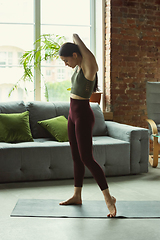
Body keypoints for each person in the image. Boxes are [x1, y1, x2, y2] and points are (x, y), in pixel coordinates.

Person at [59, 34, 116, 218]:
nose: (65, 64)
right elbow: (77, 56)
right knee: (76, 157)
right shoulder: (77, 67)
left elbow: (88, 55)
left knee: (87, 158)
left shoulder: (89, 67)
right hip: (72, 114)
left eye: (66, 60)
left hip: (83, 115)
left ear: (76, 55)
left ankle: (109, 199)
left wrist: (76, 37)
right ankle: (77, 195)